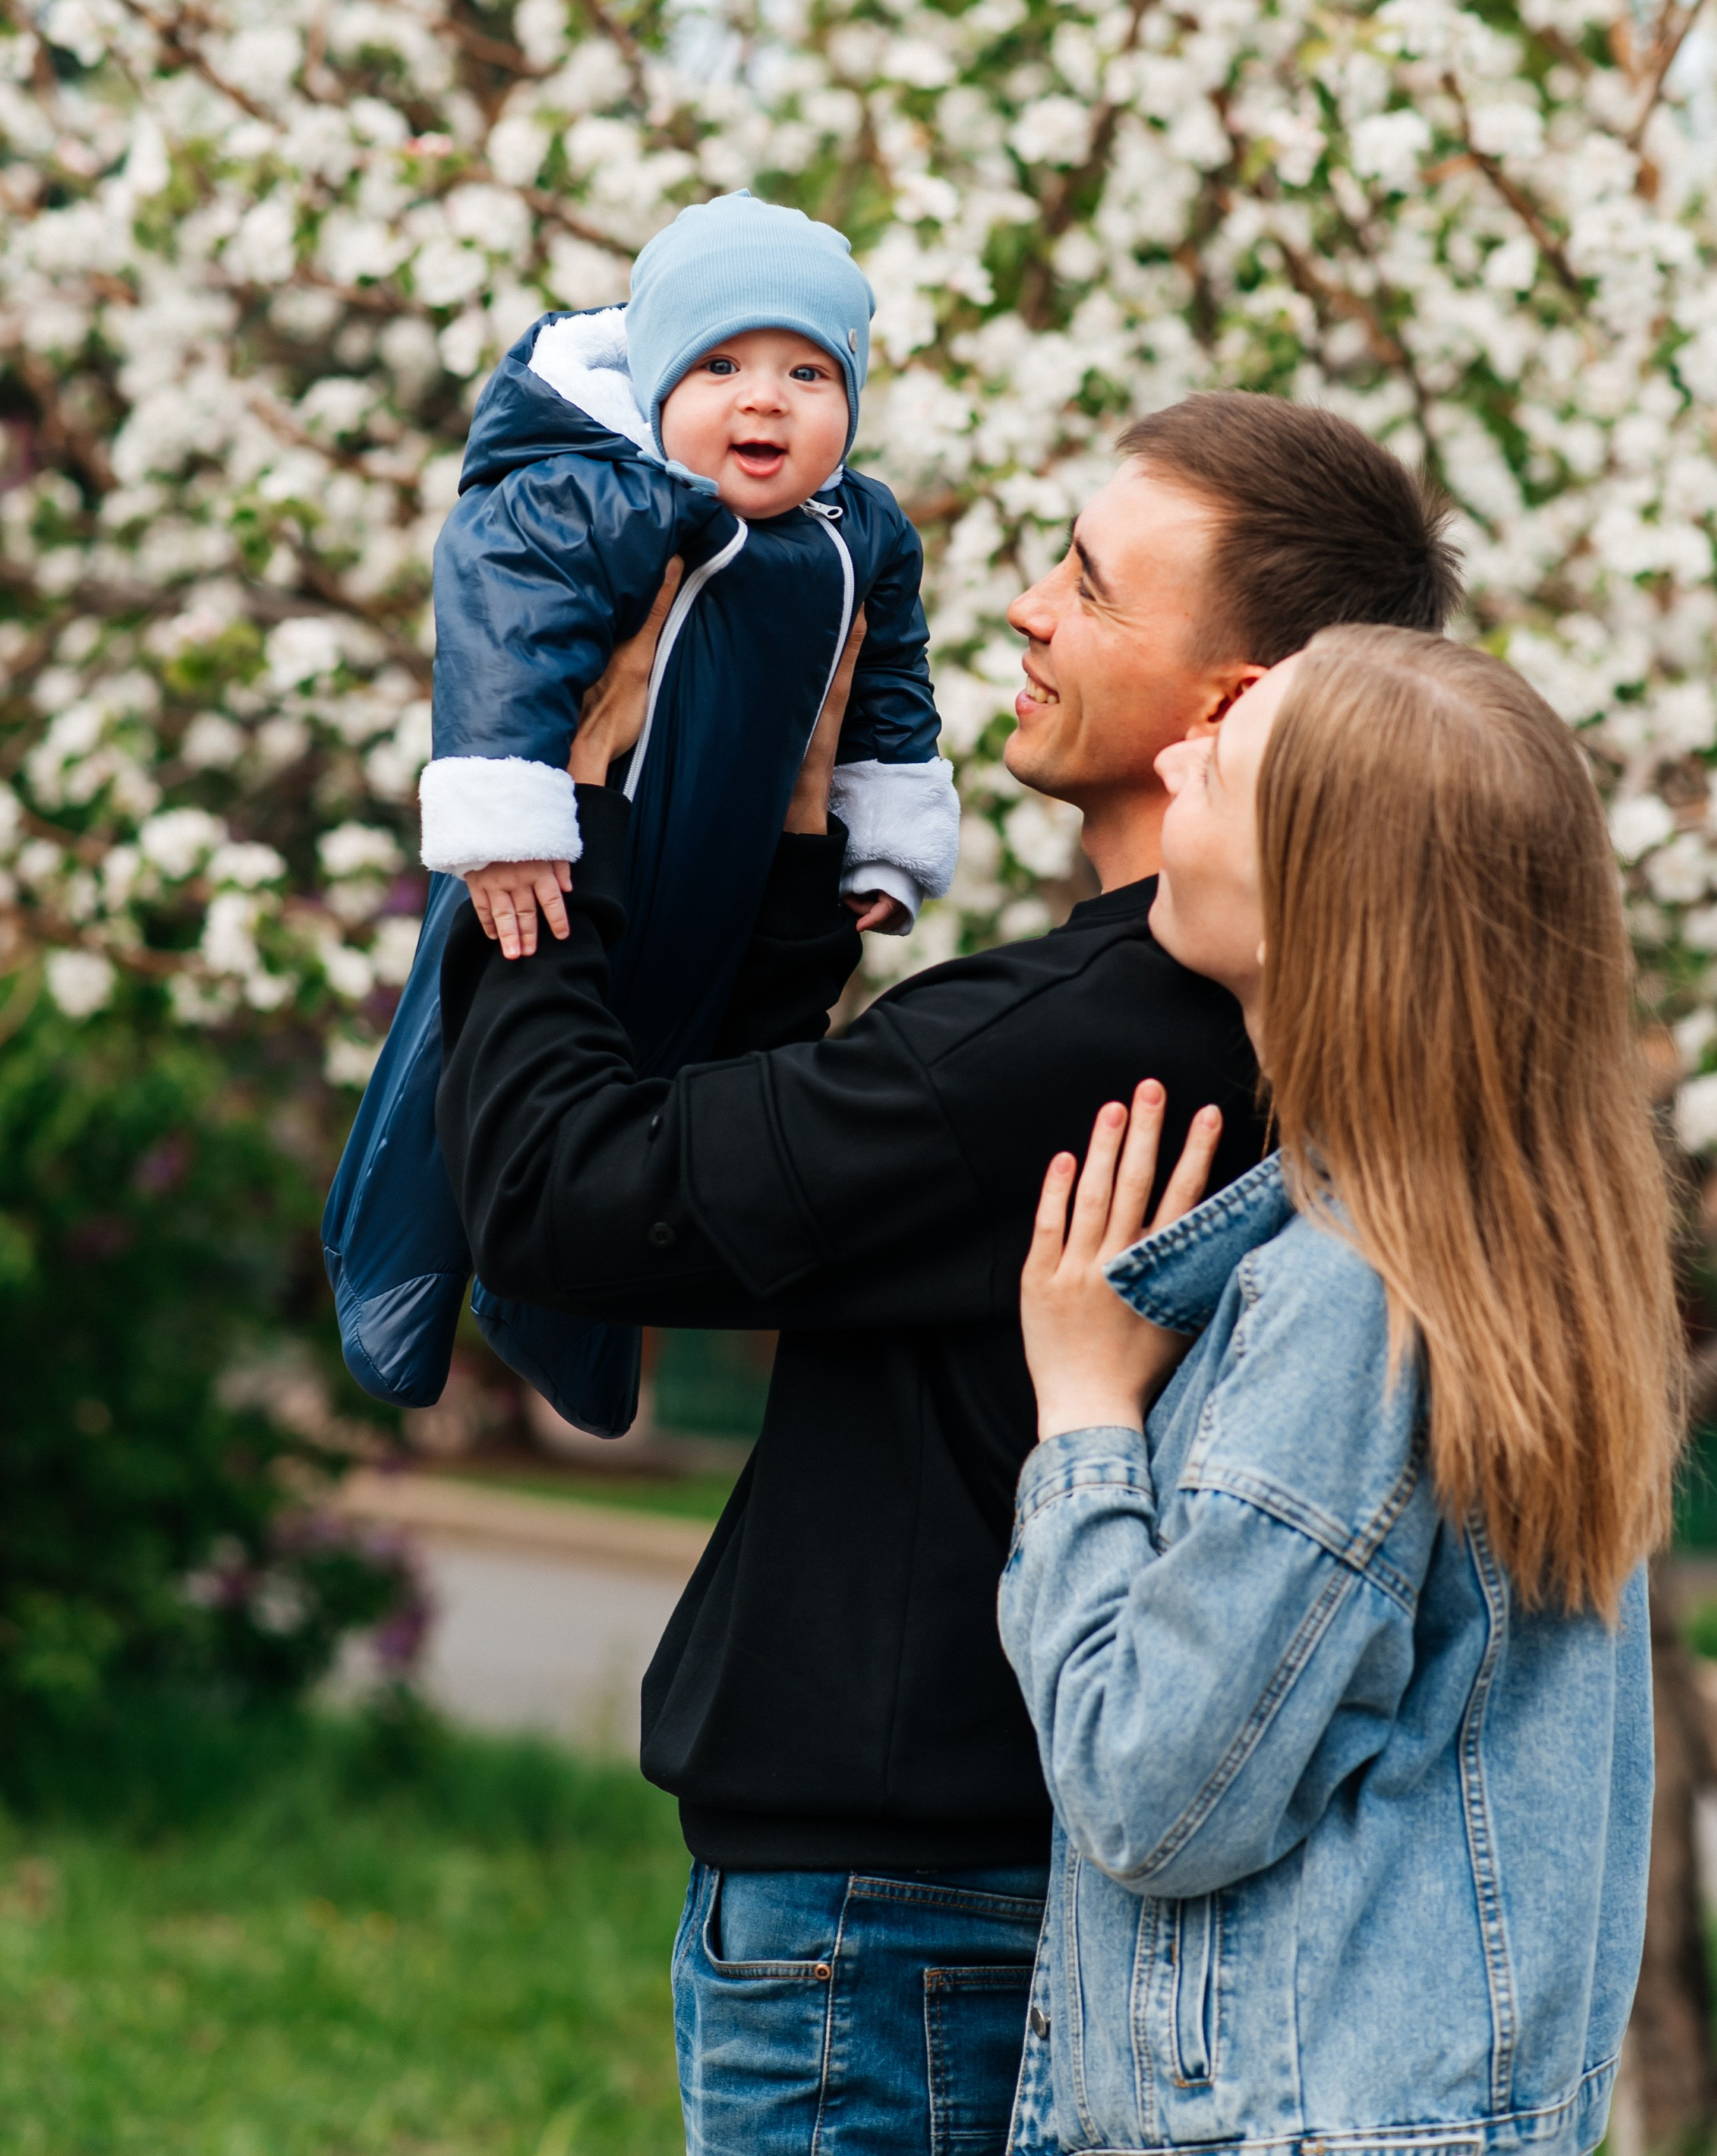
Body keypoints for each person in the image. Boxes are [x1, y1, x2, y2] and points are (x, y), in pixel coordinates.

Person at [434, 395, 1464, 2156]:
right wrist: (782, 849)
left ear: (1225, 705)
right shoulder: (1244, 1028)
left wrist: (555, 813)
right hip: (968, 1902)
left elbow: (564, 1195)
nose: (1024, 612)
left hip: (883, 1931)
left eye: (1086, 585)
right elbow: (776, 1188)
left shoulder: (1062, 1046)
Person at [1001, 626, 1683, 2156]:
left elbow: (1152, 1790)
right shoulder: (1517, 1248)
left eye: (1222, 763)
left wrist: (1083, 1412)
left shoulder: (1344, 1296)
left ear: (1328, 895)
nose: (1172, 756)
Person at [325, 190, 958, 1430]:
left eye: (808, 372)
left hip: (723, 875)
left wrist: (880, 828)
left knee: (662, 1078)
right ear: (659, 380)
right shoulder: (598, 498)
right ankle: (393, 1280)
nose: (764, 398)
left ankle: (570, 1315)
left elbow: (891, 677)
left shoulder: (858, 531)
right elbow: (501, 614)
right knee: (471, 1057)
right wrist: (510, 816)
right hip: (566, 850)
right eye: (720, 365)